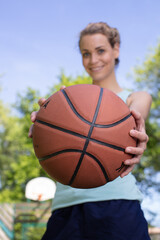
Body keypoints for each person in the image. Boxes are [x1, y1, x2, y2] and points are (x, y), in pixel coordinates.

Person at [29, 22, 152, 240]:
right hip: (66, 209)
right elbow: (48, 132)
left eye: (100, 50)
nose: (93, 60)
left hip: (118, 207)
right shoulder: (68, 102)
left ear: (116, 50)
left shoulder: (135, 98)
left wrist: (136, 130)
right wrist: (46, 127)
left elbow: (137, 115)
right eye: (86, 54)